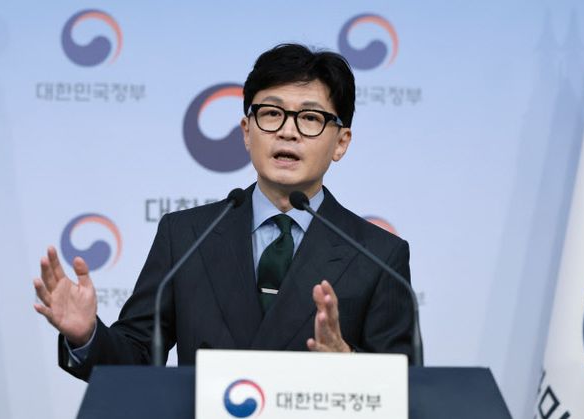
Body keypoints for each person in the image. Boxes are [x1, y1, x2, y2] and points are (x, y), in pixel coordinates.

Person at [33, 43, 414, 382]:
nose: (288, 131)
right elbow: (137, 359)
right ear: (247, 131)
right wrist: (87, 335)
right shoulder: (186, 235)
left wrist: (349, 364)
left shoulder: (378, 255)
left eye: (310, 118)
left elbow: (406, 388)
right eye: (271, 113)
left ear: (341, 142)